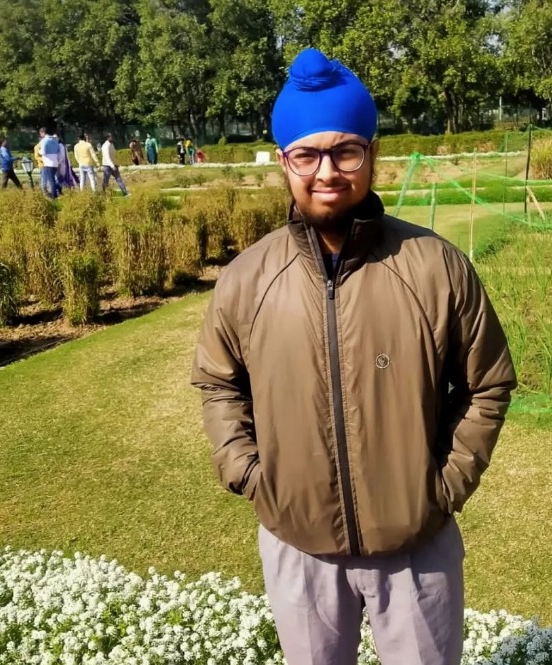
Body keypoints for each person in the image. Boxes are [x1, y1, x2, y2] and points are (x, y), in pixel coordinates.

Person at [191, 48, 517, 665]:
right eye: (306, 155)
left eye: (346, 151)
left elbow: (488, 384)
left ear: (372, 154)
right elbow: (217, 381)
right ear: (284, 161)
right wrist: (250, 473)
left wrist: (444, 484)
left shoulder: (435, 267)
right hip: (299, 550)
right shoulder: (248, 278)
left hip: (416, 552)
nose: (327, 172)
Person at [38, 127, 60, 199]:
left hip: (48, 162)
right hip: (55, 162)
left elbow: (43, 152)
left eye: (40, 133)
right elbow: (58, 151)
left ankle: (54, 197)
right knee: (53, 179)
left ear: (43, 132)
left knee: (51, 181)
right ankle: (58, 192)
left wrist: (39, 151)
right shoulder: (55, 140)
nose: (40, 135)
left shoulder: (44, 140)